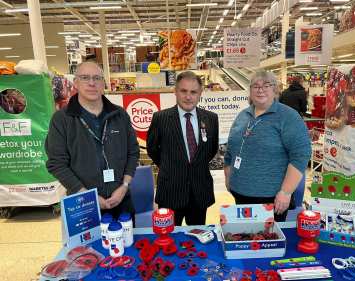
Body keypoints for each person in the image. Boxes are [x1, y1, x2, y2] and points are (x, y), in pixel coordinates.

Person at [45, 62, 140, 223]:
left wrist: (124, 187)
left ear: (104, 83)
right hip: (83, 204)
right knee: (87, 249)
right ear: (75, 82)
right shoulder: (61, 119)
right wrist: (87, 196)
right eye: (85, 78)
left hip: (121, 200)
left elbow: (133, 151)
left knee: (127, 245)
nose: (91, 83)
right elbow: (56, 163)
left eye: (97, 78)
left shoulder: (119, 114)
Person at [224, 71, 311, 222]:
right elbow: (230, 151)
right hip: (240, 194)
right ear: (250, 91)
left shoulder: (288, 117)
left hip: (272, 199)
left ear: (275, 89)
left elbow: (300, 156)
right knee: (245, 239)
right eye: (256, 87)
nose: (260, 90)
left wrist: (285, 192)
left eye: (266, 86)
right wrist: (228, 176)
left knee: (267, 242)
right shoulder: (243, 115)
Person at [147, 71, 219, 226]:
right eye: (184, 91)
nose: (188, 97)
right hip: (171, 190)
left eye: (193, 92)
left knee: (198, 237)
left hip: (199, 192)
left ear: (200, 93)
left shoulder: (211, 118)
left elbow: (211, 150)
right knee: (169, 239)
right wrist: (170, 166)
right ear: (175, 92)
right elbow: (152, 149)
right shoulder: (161, 118)